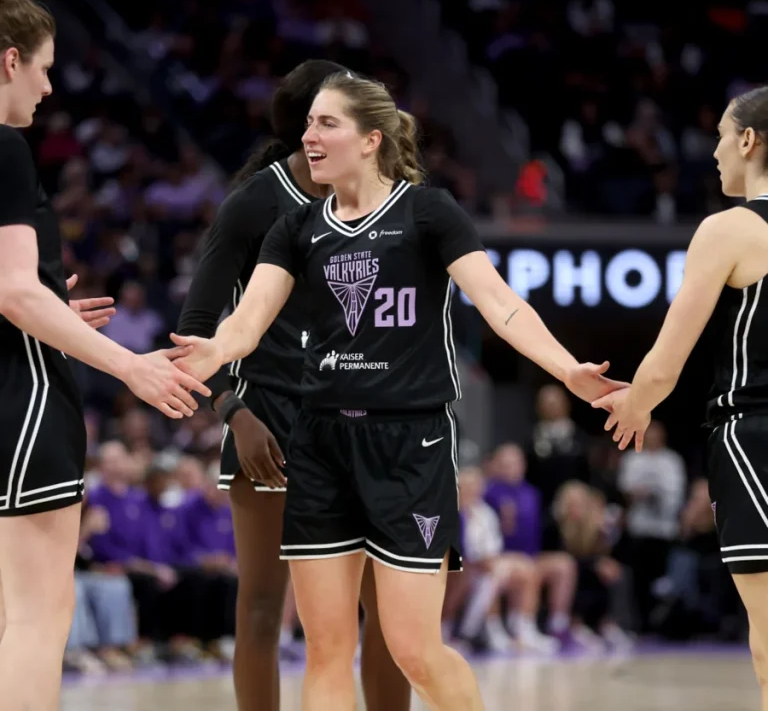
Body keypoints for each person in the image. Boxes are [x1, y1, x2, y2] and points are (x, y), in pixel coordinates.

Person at [171, 71, 625, 711]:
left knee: (412, 645)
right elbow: (247, 323)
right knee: (326, 653)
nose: (309, 137)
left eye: (327, 124)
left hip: (410, 442)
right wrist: (212, 353)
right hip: (321, 442)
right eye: (308, 125)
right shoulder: (296, 228)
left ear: (371, 139)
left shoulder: (428, 212)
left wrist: (568, 370)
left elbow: (500, 304)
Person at [175, 59, 410, 711]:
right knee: (262, 611)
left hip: (369, 419)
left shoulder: (390, 198)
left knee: (387, 613)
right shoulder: (254, 204)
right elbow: (194, 329)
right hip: (271, 421)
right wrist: (233, 410)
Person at [0, 0, 210, 711]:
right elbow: (16, 294)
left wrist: (47, 310)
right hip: (21, 401)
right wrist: (131, 365)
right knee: (34, 614)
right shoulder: (4, 147)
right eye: (44, 67)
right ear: (8, 62)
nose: (50, 85)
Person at [592, 85, 768, 707]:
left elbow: (666, 364)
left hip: (756, 435)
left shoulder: (731, 229)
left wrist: (632, 405)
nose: (715, 152)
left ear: (748, 140)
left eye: (722, 136)